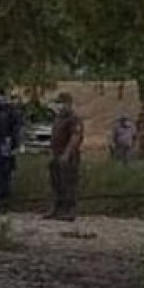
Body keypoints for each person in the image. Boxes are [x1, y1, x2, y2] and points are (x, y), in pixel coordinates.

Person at [47, 93, 85, 221]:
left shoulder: (73, 119)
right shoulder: (58, 119)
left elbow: (75, 137)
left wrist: (67, 154)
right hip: (56, 154)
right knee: (56, 182)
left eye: (61, 103)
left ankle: (69, 211)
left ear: (68, 103)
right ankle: (57, 209)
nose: (59, 106)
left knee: (68, 183)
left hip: (68, 156)